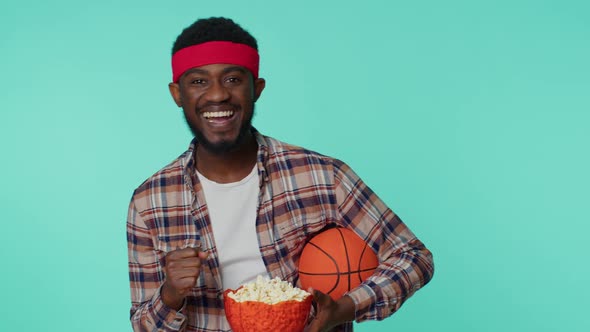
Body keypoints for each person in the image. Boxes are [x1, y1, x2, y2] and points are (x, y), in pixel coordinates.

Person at [126, 17, 434, 332]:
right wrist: (171, 295)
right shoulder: (150, 202)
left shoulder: (322, 176)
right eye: (198, 81)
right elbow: (144, 325)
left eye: (233, 79)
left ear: (256, 88)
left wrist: (344, 308)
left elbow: (413, 256)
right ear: (177, 94)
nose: (217, 95)